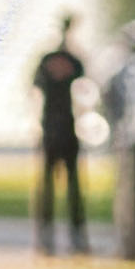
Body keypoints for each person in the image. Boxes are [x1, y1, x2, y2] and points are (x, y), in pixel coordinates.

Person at [32, 18, 87, 253]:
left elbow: (35, 89)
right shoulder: (73, 61)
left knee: (48, 185)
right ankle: (74, 236)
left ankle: (47, 236)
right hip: (66, 126)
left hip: (51, 127)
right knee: (71, 185)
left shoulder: (46, 61)